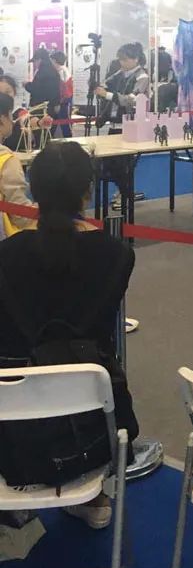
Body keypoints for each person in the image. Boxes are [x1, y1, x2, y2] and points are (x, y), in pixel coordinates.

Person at [0, 141, 138, 530]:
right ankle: (91, 495)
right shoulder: (117, 255)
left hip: (13, 431)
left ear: (33, 189)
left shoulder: (6, 257)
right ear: (88, 191)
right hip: (92, 429)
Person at [0, 93, 35, 238]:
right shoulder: (6, 160)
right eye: (10, 115)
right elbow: (20, 215)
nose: (13, 121)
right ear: (2, 119)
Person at [95, 43, 150, 132]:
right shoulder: (120, 73)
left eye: (125, 60)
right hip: (113, 125)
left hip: (131, 126)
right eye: (120, 59)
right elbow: (106, 84)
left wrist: (107, 95)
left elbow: (131, 100)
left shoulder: (142, 77)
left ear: (136, 59)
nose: (122, 62)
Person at [24, 48, 61, 117]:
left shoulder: (41, 72)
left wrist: (26, 84)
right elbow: (57, 90)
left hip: (40, 109)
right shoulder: (54, 71)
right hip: (51, 108)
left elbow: (35, 89)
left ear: (39, 60)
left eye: (35, 61)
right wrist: (57, 103)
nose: (34, 64)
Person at [51, 51, 73, 138]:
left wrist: (59, 101)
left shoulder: (61, 71)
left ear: (55, 60)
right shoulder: (64, 70)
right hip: (63, 100)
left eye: (52, 60)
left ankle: (69, 140)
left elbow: (63, 89)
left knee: (65, 124)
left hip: (63, 101)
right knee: (55, 122)